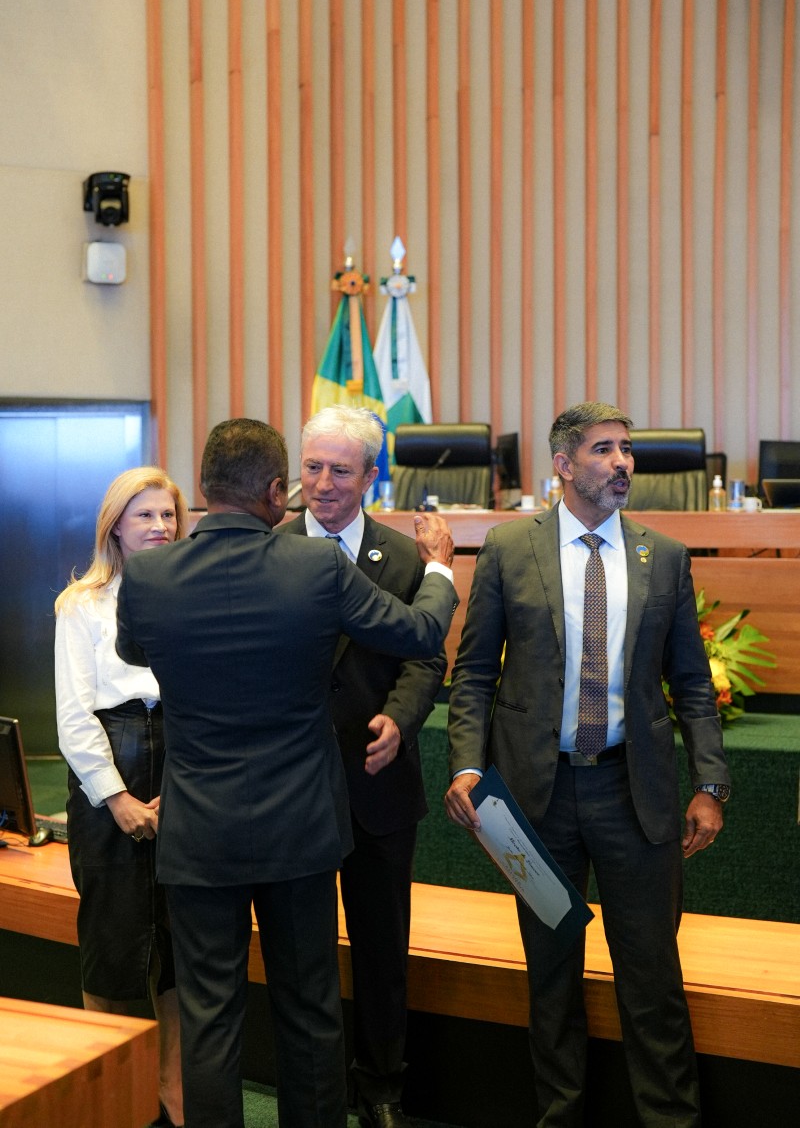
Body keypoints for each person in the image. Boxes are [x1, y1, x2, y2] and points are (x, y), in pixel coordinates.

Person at [114, 417, 458, 1128]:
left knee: (210, 1016)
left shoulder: (147, 576)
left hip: (199, 832)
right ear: (277, 491)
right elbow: (423, 632)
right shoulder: (316, 567)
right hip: (300, 828)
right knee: (308, 1011)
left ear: (203, 486)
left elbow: (133, 650)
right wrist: (440, 569)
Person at [445, 401, 731, 1128]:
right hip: (537, 802)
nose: (623, 462)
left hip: (635, 796)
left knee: (652, 981)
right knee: (551, 979)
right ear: (563, 465)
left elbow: (693, 683)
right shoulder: (510, 549)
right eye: (604, 449)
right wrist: (466, 765)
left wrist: (710, 783)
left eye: (627, 449)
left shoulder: (664, 556)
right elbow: (473, 674)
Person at [277, 405, 447, 1128]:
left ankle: (382, 1089)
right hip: (292, 789)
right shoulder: (270, 549)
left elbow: (425, 658)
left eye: (340, 470)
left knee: (382, 952)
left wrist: (399, 720)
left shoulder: (404, 559)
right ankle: (315, 1092)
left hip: (378, 786)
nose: (322, 484)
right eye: (311, 467)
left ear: (371, 476)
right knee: (303, 953)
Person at [55, 466, 189, 1128]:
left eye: (168, 515)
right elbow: (74, 718)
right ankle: (107, 1102)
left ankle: (173, 1094)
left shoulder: (193, 593)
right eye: (145, 515)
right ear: (115, 526)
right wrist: (119, 800)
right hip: (111, 769)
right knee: (111, 943)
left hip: (183, 768)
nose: (160, 526)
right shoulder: (81, 604)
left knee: (178, 949)